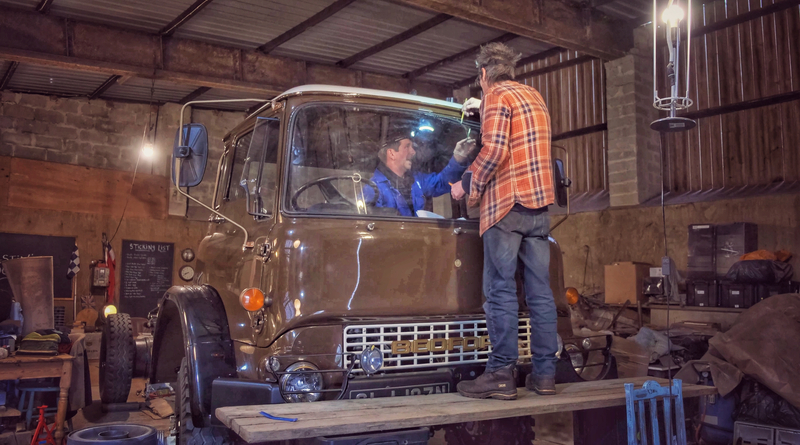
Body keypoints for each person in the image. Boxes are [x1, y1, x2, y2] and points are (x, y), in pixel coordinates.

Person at [450, 42, 558, 399]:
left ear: (483, 74)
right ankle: (544, 376)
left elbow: (495, 149)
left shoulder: (495, 96)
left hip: (507, 208)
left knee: (500, 291)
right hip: (539, 209)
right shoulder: (534, 96)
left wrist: (469, 185)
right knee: (541, 293)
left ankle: (499, 374)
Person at [369, 132, 475, 217]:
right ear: (392, 153)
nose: (413, 152)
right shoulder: (373, 188)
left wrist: (458, 158)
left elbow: (443, 182)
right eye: (407, 146)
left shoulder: (417, 180)